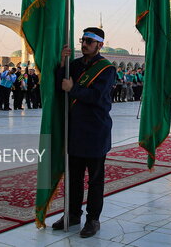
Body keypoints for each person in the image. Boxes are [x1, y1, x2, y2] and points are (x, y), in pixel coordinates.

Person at [52, 27, 115, 238]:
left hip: (96, 130)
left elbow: (97, 96)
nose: (85, 43)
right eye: (83, 40)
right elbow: (60, 85)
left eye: (89, 41)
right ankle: (72, 215)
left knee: (95, 180)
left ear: (100, 45)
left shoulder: (106, 69)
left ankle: (92, 219)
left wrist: (74, 89)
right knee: (74, 178)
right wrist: (62, 62)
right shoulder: (75, 64)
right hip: (76, 129)